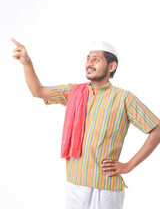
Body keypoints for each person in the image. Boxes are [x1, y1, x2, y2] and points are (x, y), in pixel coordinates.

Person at [11, 38, 160, 209]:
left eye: (96, 59)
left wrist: (129, 165)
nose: (89, 63)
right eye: (88, 58)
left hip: (106, 188)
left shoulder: (124, 99)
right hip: (74, 183)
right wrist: (26, 62)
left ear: (111, 66)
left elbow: (156, 129)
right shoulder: (74, 92)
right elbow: (38, 91)